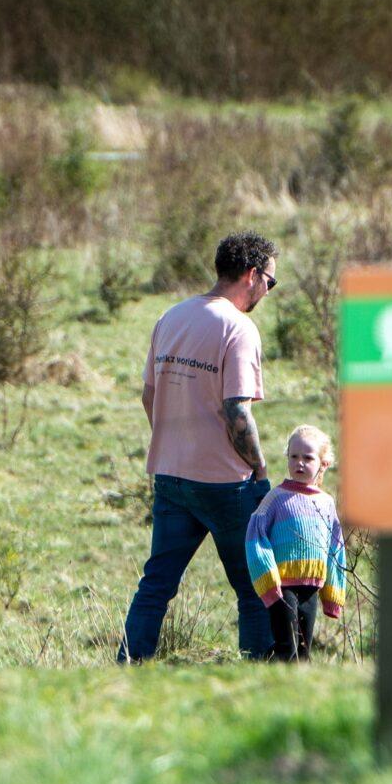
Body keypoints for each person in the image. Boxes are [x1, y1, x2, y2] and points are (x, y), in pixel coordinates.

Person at [120, 231, 278, 662]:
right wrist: (260, 470)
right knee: (253, 589)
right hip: (227, 484)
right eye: (269, 282)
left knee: (155, 586)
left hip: (170, 475)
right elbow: (237, 412)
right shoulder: (239, 329)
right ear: (251, 275)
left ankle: (127, 668)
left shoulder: (170, 317)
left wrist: (173, 444)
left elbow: (148, 396)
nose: (267, 290)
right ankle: (259, 677)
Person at [245, 424, 347, 662]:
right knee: (286, 646)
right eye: (294, 457)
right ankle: (273, 687)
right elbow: (255, 538)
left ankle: (298, 691)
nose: (299, 463)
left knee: (303, 650)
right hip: (282, 586)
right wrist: (268, 581)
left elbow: (336, 549)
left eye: (308, 458)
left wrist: (333, 595)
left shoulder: (326, 503)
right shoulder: (276, 498)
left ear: (323, 464)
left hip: (311, 585)